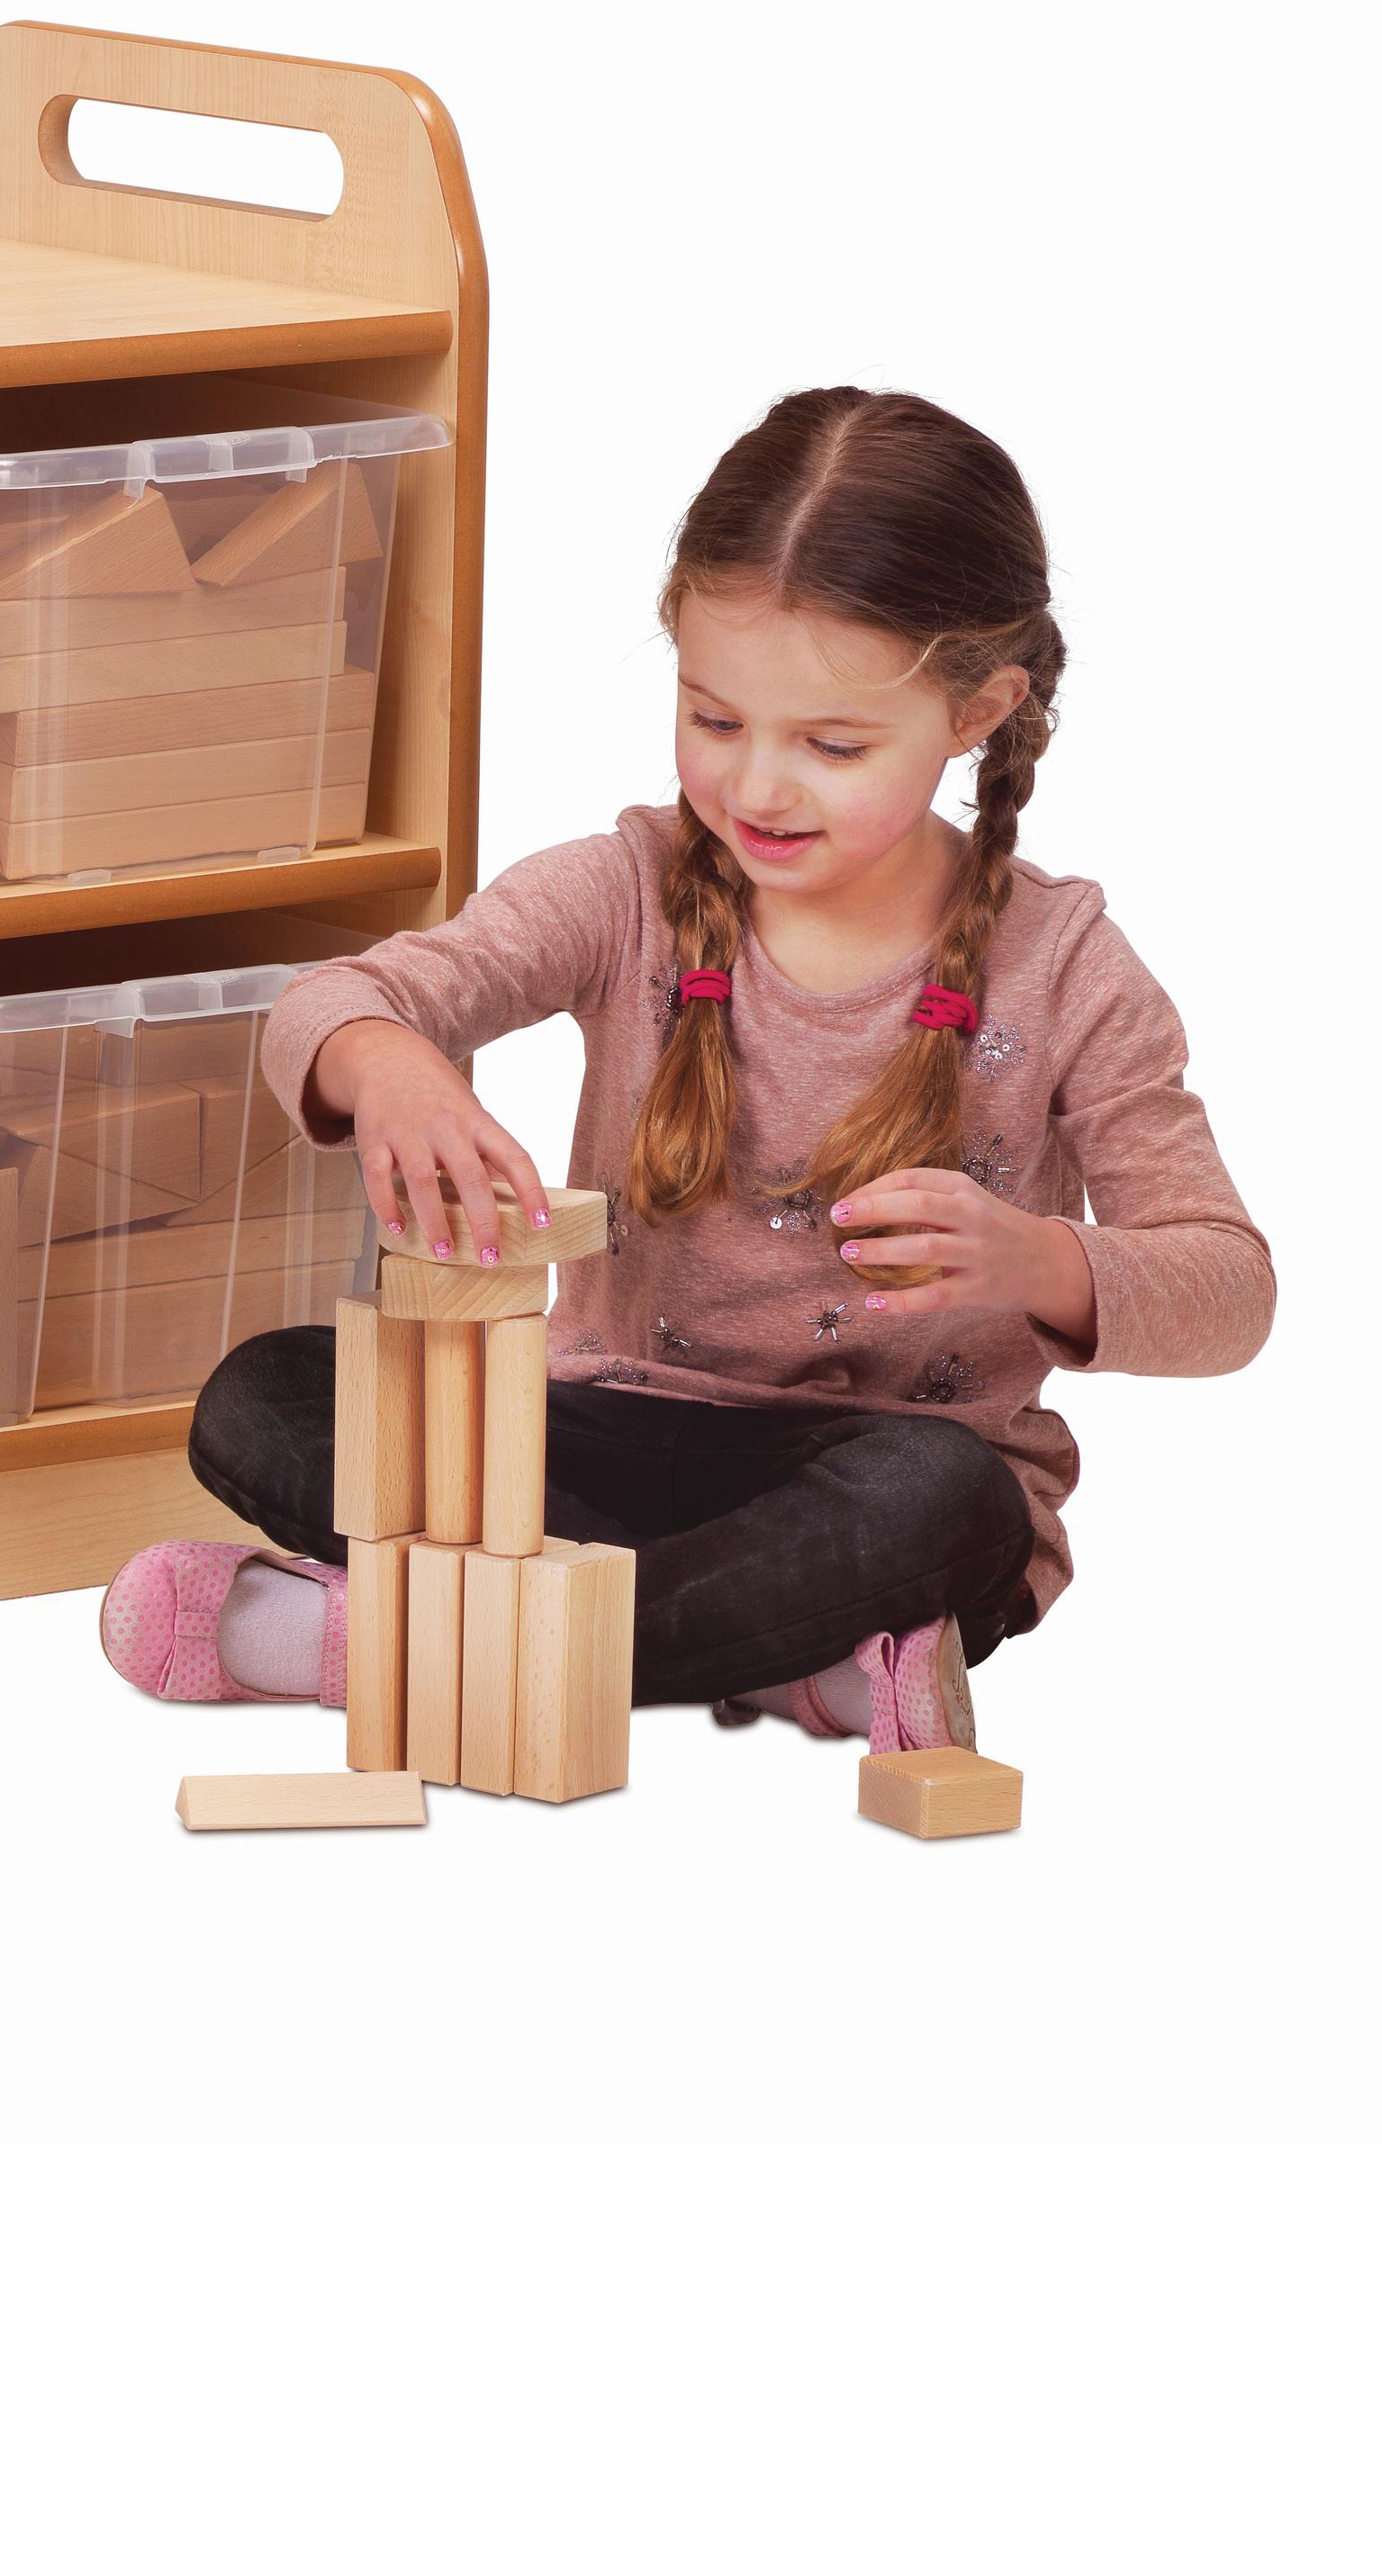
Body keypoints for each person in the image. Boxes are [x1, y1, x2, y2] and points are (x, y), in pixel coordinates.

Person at [97, 387, 1270, 1753]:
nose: (759, 788)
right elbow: (337, 1000)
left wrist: (1038, 1261)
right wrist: (392, 1068)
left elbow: (1230, 1288)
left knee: (947, 1500)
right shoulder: (626, 889)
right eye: (715, 719)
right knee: (265, 1393)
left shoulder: (1068, 968)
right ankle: (782, 1661)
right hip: (594, 1434)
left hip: (858, 1478)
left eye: (833, 746)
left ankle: (388, 1642)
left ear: (978, 712)